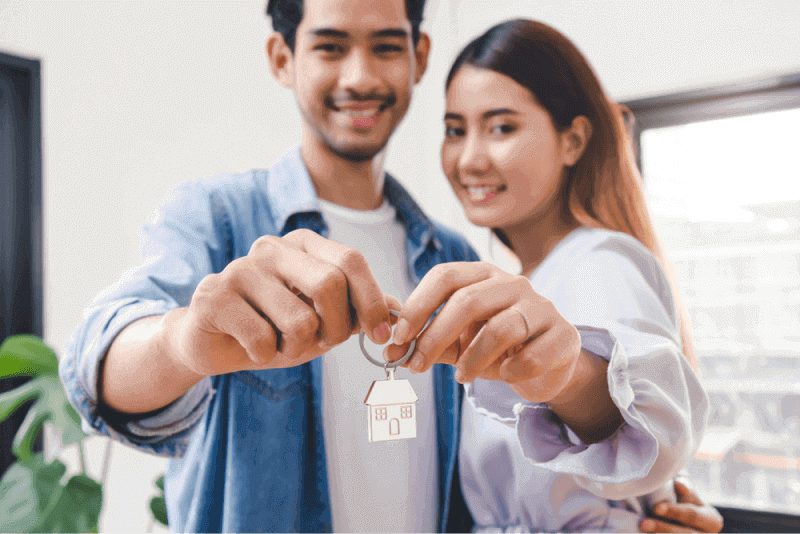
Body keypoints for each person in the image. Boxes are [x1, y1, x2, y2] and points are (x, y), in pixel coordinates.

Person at [57, 1, 722, 532]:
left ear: (418, 55)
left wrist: (631, 503)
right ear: (281, 57)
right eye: (329, 46)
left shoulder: (455, 259)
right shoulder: (218, 217)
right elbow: (98, 356)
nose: (360, 78)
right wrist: (183, 340)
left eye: (384, 45)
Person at [383, 18, 723, 533]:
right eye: (456, 130)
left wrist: (565, 375)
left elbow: (645, 421)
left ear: (573, 140)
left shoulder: (599, 260)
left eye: (502, 127)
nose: (470, 158)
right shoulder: (525, 277)